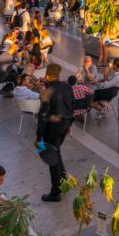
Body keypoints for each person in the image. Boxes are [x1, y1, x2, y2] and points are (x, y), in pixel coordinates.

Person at [36, 63, 74, 202]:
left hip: (51, 129)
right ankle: (64, 181)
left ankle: (55, 192)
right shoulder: (67, 87)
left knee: (52, 159)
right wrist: (69, 124)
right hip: (64, 126)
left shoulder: (47, 92)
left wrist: (38, 136)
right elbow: (72, 106)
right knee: (56, 153)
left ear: (47, 75)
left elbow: (43, 116)